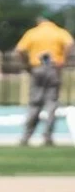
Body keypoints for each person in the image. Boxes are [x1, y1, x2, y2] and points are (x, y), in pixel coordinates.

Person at [15, 12, 74, 146]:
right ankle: (47, 136)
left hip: (37, 68)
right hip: (53, 68)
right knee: (51, 102)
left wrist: (26, 65)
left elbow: (19, 50)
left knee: (34, 103)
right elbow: (70, 44)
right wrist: (63, 60)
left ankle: (26, 136)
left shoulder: (32, 33)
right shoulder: (59, 32)